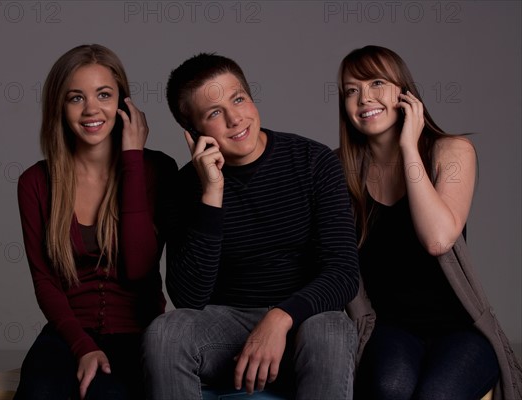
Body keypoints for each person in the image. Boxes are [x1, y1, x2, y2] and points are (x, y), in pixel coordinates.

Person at [142, 53, 360, 400]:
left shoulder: (314, 162)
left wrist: (280, 317)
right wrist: (212, 192)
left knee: (330, 329)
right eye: (214, 113)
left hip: (304, 322)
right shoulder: (184, 188)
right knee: (165, 332)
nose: (234, 118)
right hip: (227, 329)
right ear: (194, 132)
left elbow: (344, 273)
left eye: (238, 99)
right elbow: (189, 298)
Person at [338, 45, 522, 400]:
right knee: (389, 388)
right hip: (390, 328)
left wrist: (409, 147)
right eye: (351, 90)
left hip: (460, 328)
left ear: (404, 93)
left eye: (377, 82)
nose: (364, 98)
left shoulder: (451, 151)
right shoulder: (340, 172)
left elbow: (438, 239)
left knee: (437, 395)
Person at [14, 44, 177, 400]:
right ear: (60, 106)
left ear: (122, 102)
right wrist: (82, 346)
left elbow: (138, 268)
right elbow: (44, 280)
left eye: (104, 94)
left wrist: (132, 158)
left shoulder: (157, 170)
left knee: (108, 396)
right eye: (76, 97)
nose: (91, 109)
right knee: (39, 392)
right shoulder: (35, 182)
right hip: (67, 334)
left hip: (140, 335)